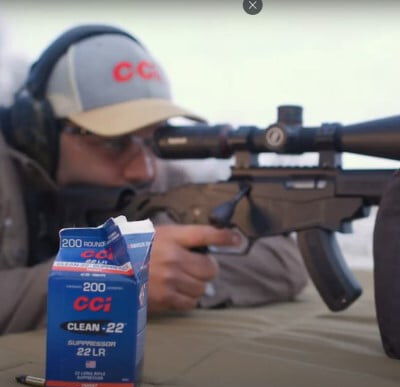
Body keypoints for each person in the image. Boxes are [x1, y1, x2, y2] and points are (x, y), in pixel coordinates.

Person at [0, 24, 307, 334]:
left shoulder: (160, 176)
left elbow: (285, 262)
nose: (143, 170)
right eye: (114, 142)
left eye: (155, 139)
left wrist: (183, 275)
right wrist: (95, 281)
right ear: (40, 134)